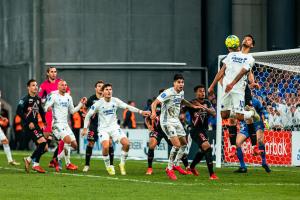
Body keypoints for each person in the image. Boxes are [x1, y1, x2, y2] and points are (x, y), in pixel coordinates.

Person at [82, 83, 150, 175]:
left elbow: (128, 106)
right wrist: (85, 128)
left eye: (110, 89)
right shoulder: (98, 103)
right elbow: (88, 115)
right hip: (103, 129)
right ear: (103, 92)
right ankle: (108, 166)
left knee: (127, 144)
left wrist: (141, 111)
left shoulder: (115, 100)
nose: (109, 91)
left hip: (114, 128)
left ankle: (122, 164)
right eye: (106, 89)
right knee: (106, 146)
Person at [151, 74, 203, 180]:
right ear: (174, 83)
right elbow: (154, 103)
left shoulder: (181, 93)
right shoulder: (168, 93)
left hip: (176, 120)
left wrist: (192, 106)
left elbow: (182, 100)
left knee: (184, 144)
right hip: (166, 122)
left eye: (182, 82)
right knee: (177, 145)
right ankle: (169, 168)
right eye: (179, 82)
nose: (181, 84)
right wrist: (153, 113)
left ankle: (176, 164)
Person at [44, 80, 86, 172]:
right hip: (57, 124)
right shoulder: (54, 96)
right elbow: (45, 106)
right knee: (67, 140)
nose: (64, 86)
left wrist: (80, 104)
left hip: (65, 124)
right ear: (58, 86)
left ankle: (56, 159)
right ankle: (66, 163)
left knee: (74, 145)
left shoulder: (68, 97)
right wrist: (48, 108)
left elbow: (72, 111)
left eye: (65, 85)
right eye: (62, 85)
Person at [38, 66, 71, 168]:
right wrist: (44, 101)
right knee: (45, 141)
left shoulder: (61, 83)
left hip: (59, 116)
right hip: (48, 115)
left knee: (62, 139)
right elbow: (39, 99)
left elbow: (68, 93)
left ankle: (56, 160)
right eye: (51, 72)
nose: (54, 73)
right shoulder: (44, 85)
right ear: (48, 73)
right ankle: (35, 159)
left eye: (55, 72)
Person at [184, 84, 219, 180]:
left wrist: (204, 108)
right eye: (200, 91)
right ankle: (212, 175)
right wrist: (184, 121)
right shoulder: (191, 103)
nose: (202, 93)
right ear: (196, 93)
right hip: (195, 130)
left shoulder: (207, 102)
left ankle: (191, 167)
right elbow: (181, 112)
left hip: (204, 130)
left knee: (203, 150)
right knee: (207, 147)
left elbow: (214, 113)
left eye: (203, 91)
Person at [83, 80, 115, 173]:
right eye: (98, 86)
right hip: (94, 125)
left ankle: (111, 165)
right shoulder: (91, 99)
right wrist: (86, 114)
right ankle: (87, 165)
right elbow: (85, 107)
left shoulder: (109, 98)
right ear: (95, 88)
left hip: (105, 126)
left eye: (102, 86)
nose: (100, 87)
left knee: (109, 143)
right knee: (90, 143)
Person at [18, 79, 47, 173]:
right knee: (42, 143)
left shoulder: (38, 99)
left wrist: (44, 121)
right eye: (33, 85)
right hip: (28, 125)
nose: (36, 87)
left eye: (36, 85)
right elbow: (18, 111)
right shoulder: (24, 99)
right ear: (28, 87)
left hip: (36, 124)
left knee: (45, 147)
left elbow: (41, 110)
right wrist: (28, 121)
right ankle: (30, 161)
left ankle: (34, 163)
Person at [145, 89, 173, 175]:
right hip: (157, 130)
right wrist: (149, 125)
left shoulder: (170, 104)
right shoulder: (154, 105)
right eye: (162, 94)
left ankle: (185, 167)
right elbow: (147, 117)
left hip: (167, 130)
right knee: (151, 145)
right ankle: (149, 168)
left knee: (177, 146)